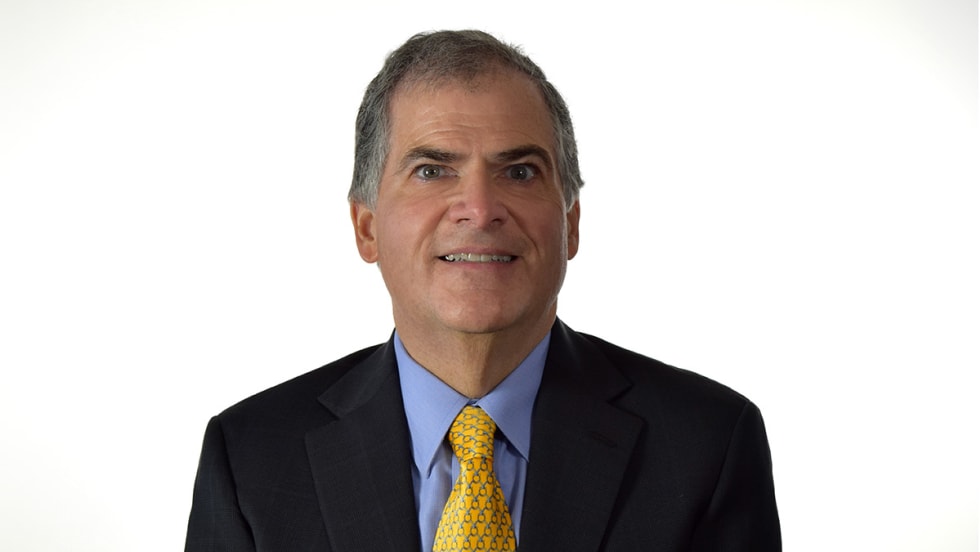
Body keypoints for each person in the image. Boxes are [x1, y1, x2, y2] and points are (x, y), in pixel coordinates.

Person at [185, 30, 781, 551]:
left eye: (519, 172)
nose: (479, 207)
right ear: (366, 228)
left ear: (571, 224)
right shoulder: (251, 457)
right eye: (432, 170)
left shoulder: (707, 446)